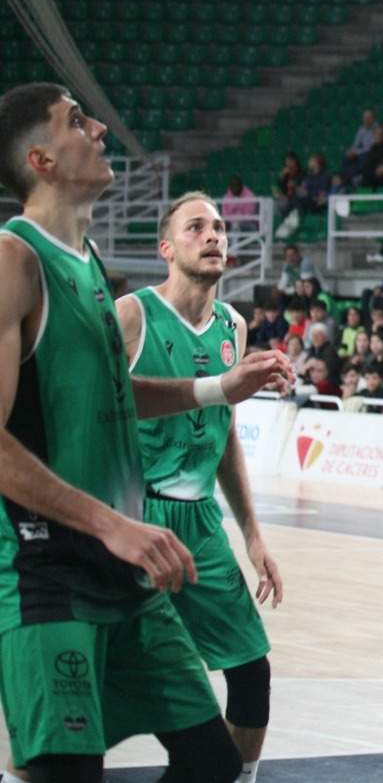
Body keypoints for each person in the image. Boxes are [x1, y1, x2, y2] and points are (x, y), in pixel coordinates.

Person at [0, 83, 292, 783]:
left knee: (213, 762)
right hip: (48, 570)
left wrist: (219, 388)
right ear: (41, 158)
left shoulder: (91, 260)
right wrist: (114, 525)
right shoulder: (14, 260)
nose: (100, 125)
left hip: (124, 563)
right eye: (77, 120)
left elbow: (111, 394)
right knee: (69, 770)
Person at [114, 193, 285, 783]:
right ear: (167, 248)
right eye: (196, 227)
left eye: (219, 227)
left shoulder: (234, 326)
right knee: (122, 678)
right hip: (133, 518)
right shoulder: (131, 315)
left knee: (252, 671)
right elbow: (99, 407)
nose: (214, 235)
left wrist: (253, 533)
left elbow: (226, 433)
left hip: (202, 526)